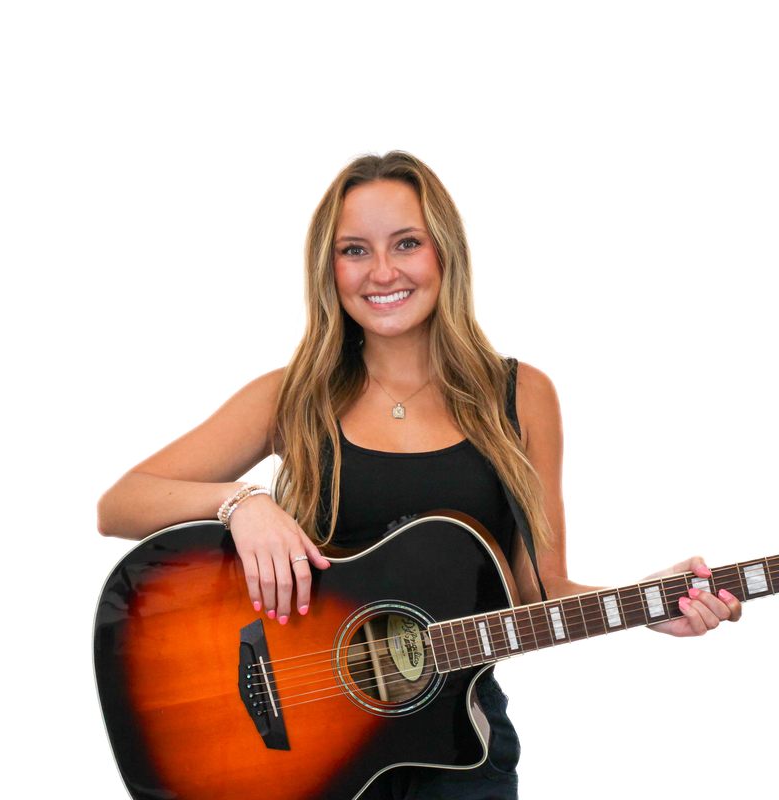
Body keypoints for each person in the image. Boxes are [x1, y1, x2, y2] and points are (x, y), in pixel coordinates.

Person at [97, 151, 742, 799]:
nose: (382, 272)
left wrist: (645, 603)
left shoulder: (521, 397)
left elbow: (535, 592)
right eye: (354, 250)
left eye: (406, 243)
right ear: (329, 269)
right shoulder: (291, 397)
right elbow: (120, 504)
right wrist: (243, 505)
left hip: (460, 753)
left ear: (445, 255)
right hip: (309, 760)